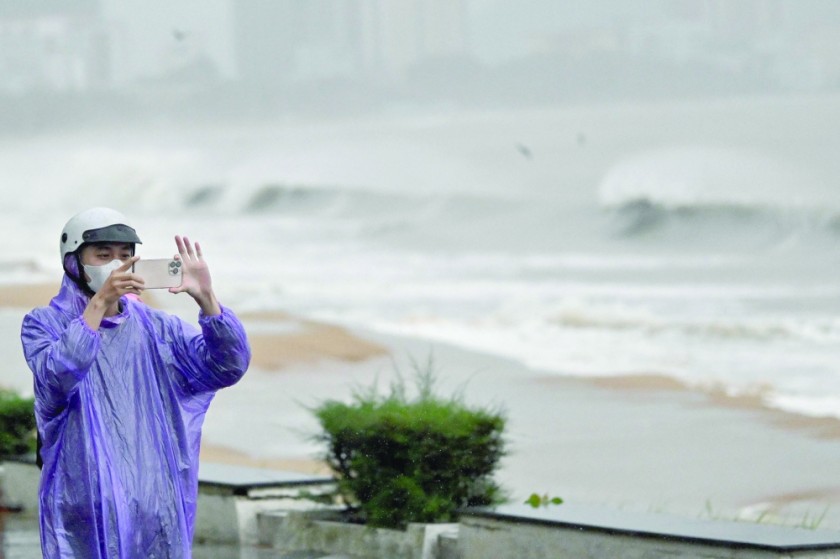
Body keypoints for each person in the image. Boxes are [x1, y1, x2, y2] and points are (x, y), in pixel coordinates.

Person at [20, 207, 251, 558]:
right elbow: (57, 378)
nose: (117, 264)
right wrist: (100, 305)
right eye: (103, 255)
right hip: (88, 507)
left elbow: (227, 366)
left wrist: (207, 299)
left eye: (126, 256)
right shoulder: (44, 324)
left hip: (157, 507)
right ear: (72, 262)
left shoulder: (159, 328)